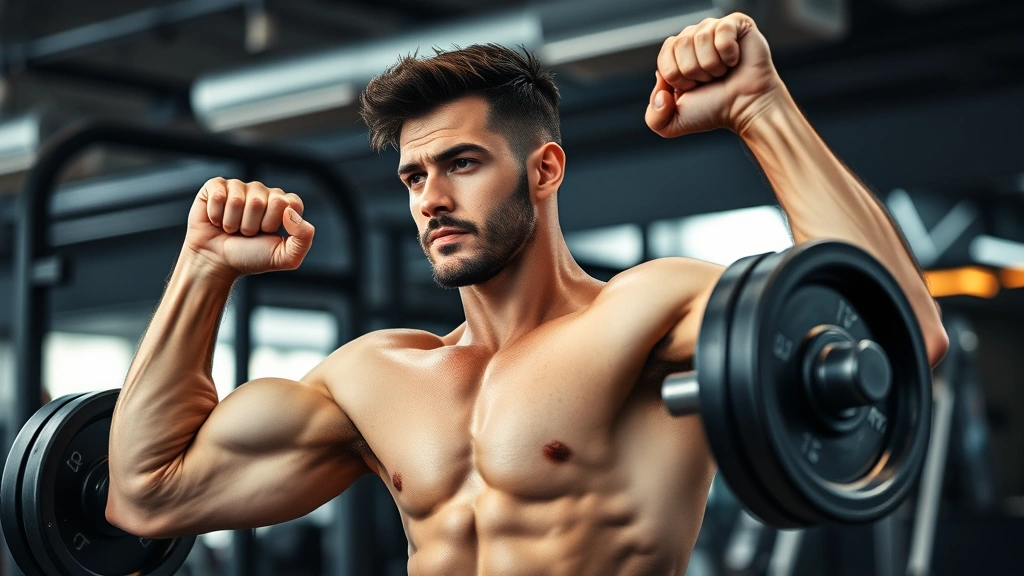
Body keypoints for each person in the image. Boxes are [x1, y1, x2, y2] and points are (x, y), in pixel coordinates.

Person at [106, 13, 949, 575]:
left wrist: (763, 110)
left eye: (461, 163)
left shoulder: (642, 318)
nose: (430, 197)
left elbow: (896, 332)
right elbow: (147, 493)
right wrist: (203, 266)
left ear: (543, 170)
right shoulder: (373, 379)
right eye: (413, 175)